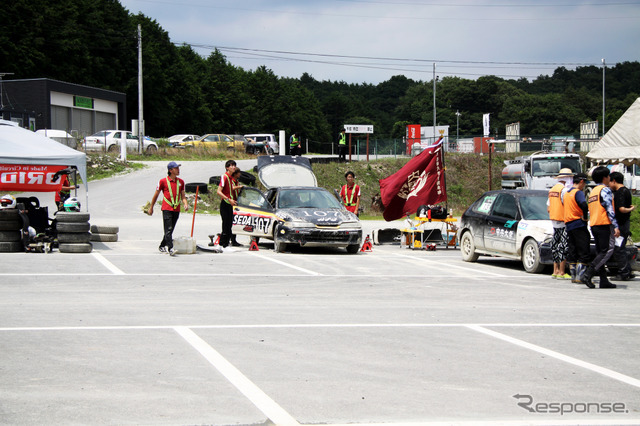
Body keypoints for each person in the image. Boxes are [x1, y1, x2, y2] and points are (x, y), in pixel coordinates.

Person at [582, 166, 620, 289]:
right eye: (608, 176)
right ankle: (588, 274)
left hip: (594, 224)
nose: (609, 178)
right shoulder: (605, 190)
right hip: (604, 223)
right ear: (605, 178)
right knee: (606, 251)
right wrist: (615, 226)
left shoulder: (593, 191)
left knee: (600, 252)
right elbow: (609, 209)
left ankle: (603, 280)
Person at [148, 161, 188, 256]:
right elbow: (156, 195)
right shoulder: (163, 181)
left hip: (176, 208)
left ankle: (162, 245)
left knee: (170, 229)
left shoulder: (181, 182)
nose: (178, 170)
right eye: (176, 168)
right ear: (170, 170)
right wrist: (151, 207)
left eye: (178, 168)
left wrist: (185, 204)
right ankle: (170, 248)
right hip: (167, 208)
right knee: (168, 229)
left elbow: (183, 196)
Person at [563, 173, 591, 284]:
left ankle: (573, 276)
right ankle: (581, 275)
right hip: (578, 223)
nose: (584, 186)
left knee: (572, 250)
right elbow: (584, 205)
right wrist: (585, 216)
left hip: (569, 225)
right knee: (583, 250)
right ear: (581, 182)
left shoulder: (567, 193)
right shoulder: (578, 193)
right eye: (584, 183)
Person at [609, 171, 635, 281]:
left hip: (620, 224)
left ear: (614, 181)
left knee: (618, 248)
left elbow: (621, 209)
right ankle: (628, 270)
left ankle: (623, 272)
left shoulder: (620, 192)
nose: (609, 184)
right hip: (625, 223)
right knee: (621, 247)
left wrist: (631, 209)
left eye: (610, 181)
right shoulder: (627, 191)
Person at [548, 168, 573, 280]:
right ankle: (562, 272)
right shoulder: (563, 191)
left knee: (555, 245)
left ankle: (555, 270)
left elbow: (548, 207)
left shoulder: (552, 190)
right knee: (563, 245)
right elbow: (567, 205)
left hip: (554, 220)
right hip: (563, 221)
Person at [216, 159, 243, 252]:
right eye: (231, 165)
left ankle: (222, 244)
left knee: (228, 225)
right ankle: (224, 245)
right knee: (226, 225)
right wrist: (228, 199)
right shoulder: (224, 177)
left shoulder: (231, 178)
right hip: (225, 203)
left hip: (230, 204)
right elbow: (218, 191)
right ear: (227, 168)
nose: (234, 167)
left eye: (234, 165)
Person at [229, 167, 244, 247]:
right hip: (231, 203)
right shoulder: (231, 180)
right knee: (230, 222)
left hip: (236, 204)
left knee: (235, 222)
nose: (240, 174)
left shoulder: (237, 181)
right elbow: (232, 188)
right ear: (235, 174)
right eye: (239, 173)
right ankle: (229, 239)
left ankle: (233, 240)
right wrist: (239, 187)